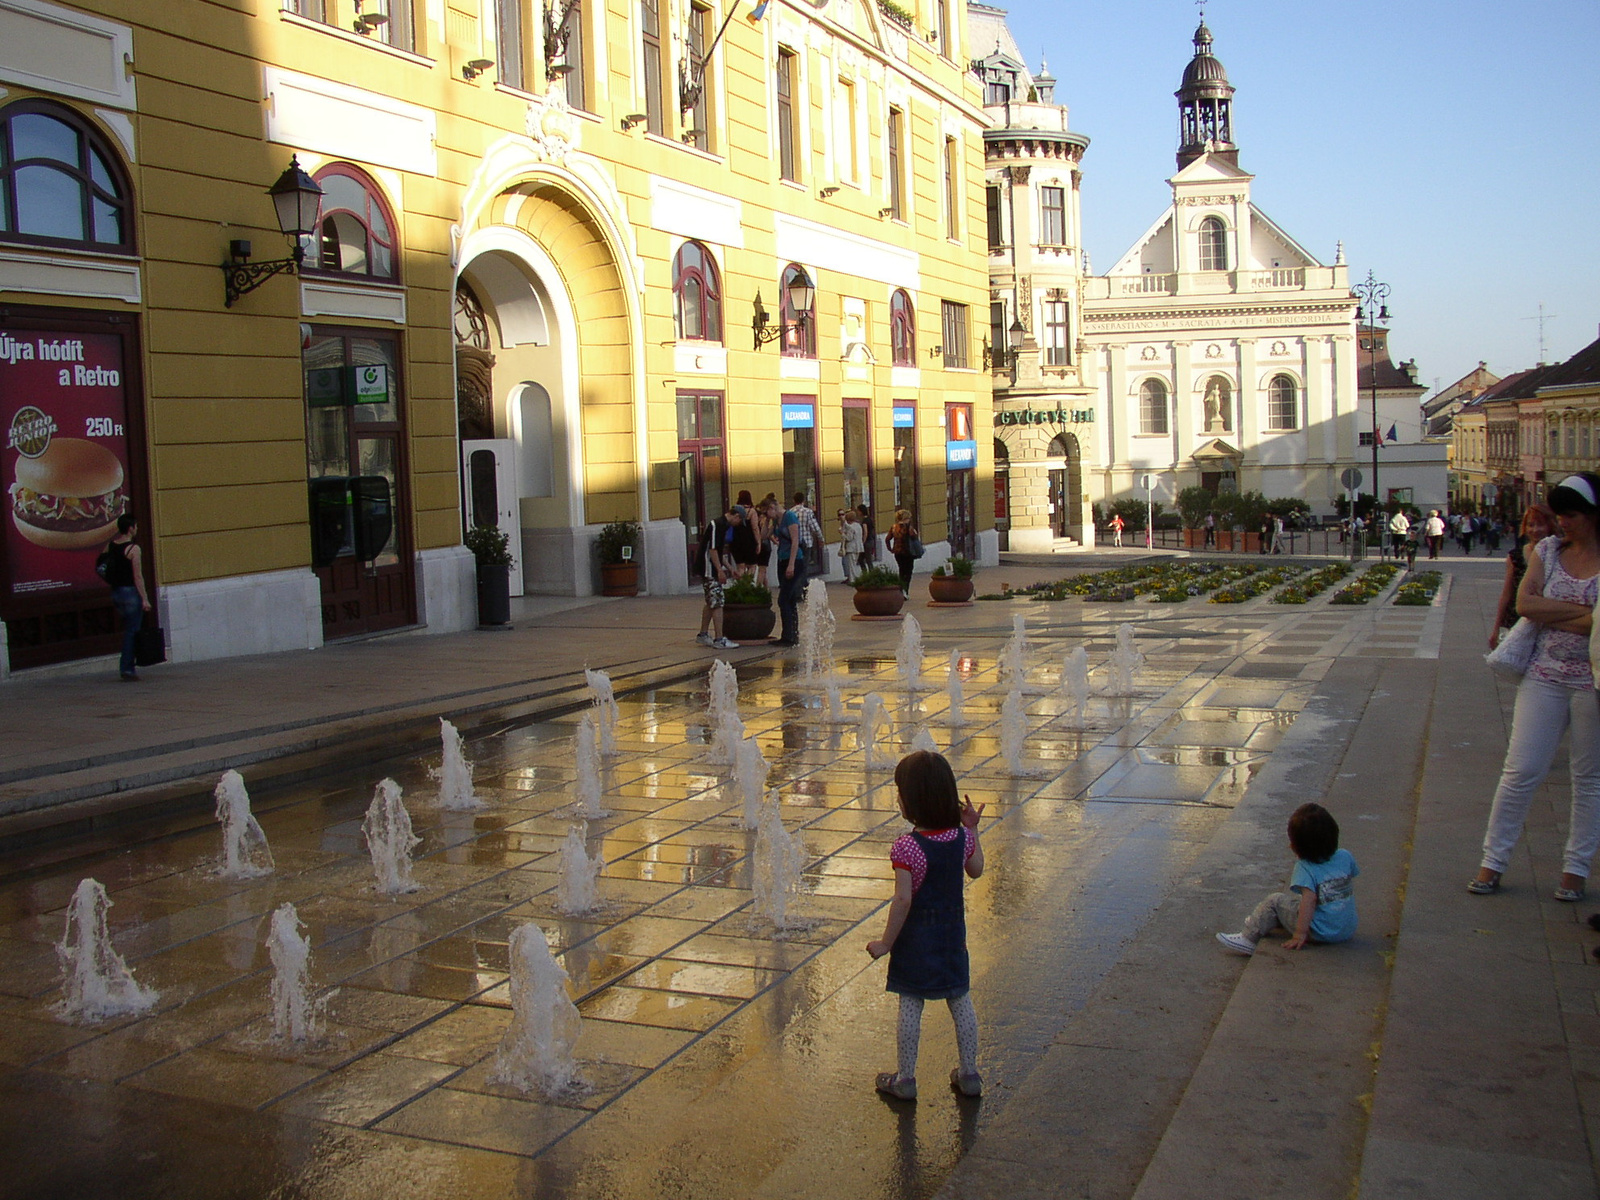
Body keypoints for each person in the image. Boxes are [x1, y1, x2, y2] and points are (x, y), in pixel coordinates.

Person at [1470, 473, 1600, 902]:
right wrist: (1586, 612)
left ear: (1593, 516)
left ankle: (1574, 871)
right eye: (1559, 513)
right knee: (1521, 770)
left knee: (1589, 779)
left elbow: (1548, 609)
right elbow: (1526, 605)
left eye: (1572, 515)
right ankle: (1493, 862)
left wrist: (1553, 610)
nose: (1563, 522)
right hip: (1544, 675)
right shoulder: (1547, 550)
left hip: (1593, 683)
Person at [866, 751, 986, 1100]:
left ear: (912, 802)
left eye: (901, 792)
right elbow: (977, 869)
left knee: (911, 1004)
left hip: (916, 942)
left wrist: (886, 943)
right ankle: (969, 1073)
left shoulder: (908, 848)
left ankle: (905, 1079)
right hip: (952, 939)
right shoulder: (961, 839)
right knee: (960, 1000)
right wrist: (973, 828)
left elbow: (903, 900)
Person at [1216, 802, 1358, 956]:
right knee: (1294, 904)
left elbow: (1309, 900)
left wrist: (1300, 934)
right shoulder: (1345, 856)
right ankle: (1266, 920)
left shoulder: (1305, 867)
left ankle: (1248, 938)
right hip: (1346, 928)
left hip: (1319, 932)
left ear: (1296, 847)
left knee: (1275, 901)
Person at [1490, 504, 1557, 649]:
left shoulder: (1559, 554)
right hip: (1516, 621)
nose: (1535, 530)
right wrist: (1496, 628)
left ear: (1550, 525)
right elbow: (1507, 593)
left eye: (1540, 525)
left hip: (1546, 622)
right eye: (1530, 525)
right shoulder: (1516, 556)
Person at [104, 513, 152, 682]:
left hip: (116, 592)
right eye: (136, 526)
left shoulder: (111, 546)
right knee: (132, 631)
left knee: (128, 629)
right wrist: (144, 598)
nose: (137, 529)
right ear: (130, 528)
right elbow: (138, 577)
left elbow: (103, 566)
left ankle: (127, 665)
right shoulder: (134, 549)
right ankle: (127, 668)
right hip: (130, 593)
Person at [694, 506, 741, 650]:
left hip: (711, 568)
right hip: (709, 569)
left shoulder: (723, 526)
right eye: (740, 520)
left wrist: (730, 568)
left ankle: (703, 635)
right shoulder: (717, 525)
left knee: (711, 601)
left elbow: (719, 553)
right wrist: (720, 571)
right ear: (736, 516)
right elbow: (713, 550)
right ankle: (719, 639)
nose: (739, 524)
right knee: (718, 602)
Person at [769, 496, 803, 647]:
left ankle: (788, 636)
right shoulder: (777, 520)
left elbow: (795, 541)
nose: (766, 515)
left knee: (783, 599)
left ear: (773, 507)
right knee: (788, 599)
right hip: (782, 560)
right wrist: (767, 522)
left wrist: (791, 565)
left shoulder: (790, 516)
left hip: (794, 560)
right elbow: (764, 535)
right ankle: (792, 634)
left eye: (767, 511)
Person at [790, 492, 826, 581]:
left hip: (794, 543)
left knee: (795, 564)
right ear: (803, 500)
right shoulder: (808, 512)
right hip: (807, 543)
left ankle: (797, 584)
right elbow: (815, 527)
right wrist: (821, 539)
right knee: (804, 565)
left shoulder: (790, 512)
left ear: (794, 501)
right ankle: (803, 584)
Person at [887, 508, 919, 597]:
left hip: (897, 552)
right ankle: (905, 590)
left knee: (901, 570)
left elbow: (887, 539)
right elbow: (914, 538)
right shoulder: (908, 527)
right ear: (906, 518)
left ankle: (901, 589)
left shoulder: (894, 527)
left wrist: (890, 549)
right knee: (908, 571)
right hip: (908, 552)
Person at [839, 509, 865, 583]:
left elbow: (849, 538)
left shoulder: (851, 527)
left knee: (851, 565)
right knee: (854, 563)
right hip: (859, 547)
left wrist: (842, 533)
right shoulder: (858, 525)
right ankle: (854, 578)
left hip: (852, 548)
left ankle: (852, 580)